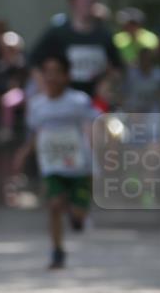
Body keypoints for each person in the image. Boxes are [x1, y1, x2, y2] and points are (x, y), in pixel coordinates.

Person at [12, 53, 99, 270]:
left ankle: (77, 215)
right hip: (52, 164)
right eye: (47, 72)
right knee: (54, 205)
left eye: (56, 72)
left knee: (77, 213)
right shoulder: (37, 105)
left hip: (78, 165)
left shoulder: (78, 101)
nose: (51, 77)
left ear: (67, 76)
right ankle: (57, 251)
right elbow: (34, 133)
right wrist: (24, 152)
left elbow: (95, 124)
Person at [30, 0, 122, 96]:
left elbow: (117, 68)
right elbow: (34, 62)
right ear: (72, 2)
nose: (88, 4)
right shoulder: (58, 33)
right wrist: (46, 90)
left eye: (92, 0)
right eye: (84, 0)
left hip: (95, 103)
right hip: (65, 101)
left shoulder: (104, 35)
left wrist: (108, 83)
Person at [122, 47, 160, 113]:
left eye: (148, 59)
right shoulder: (130, 73)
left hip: (153, 108)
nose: (146, 61)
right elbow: (124, 93)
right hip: (133, 108)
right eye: (143, 58)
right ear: (139, 59)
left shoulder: (159, 73)